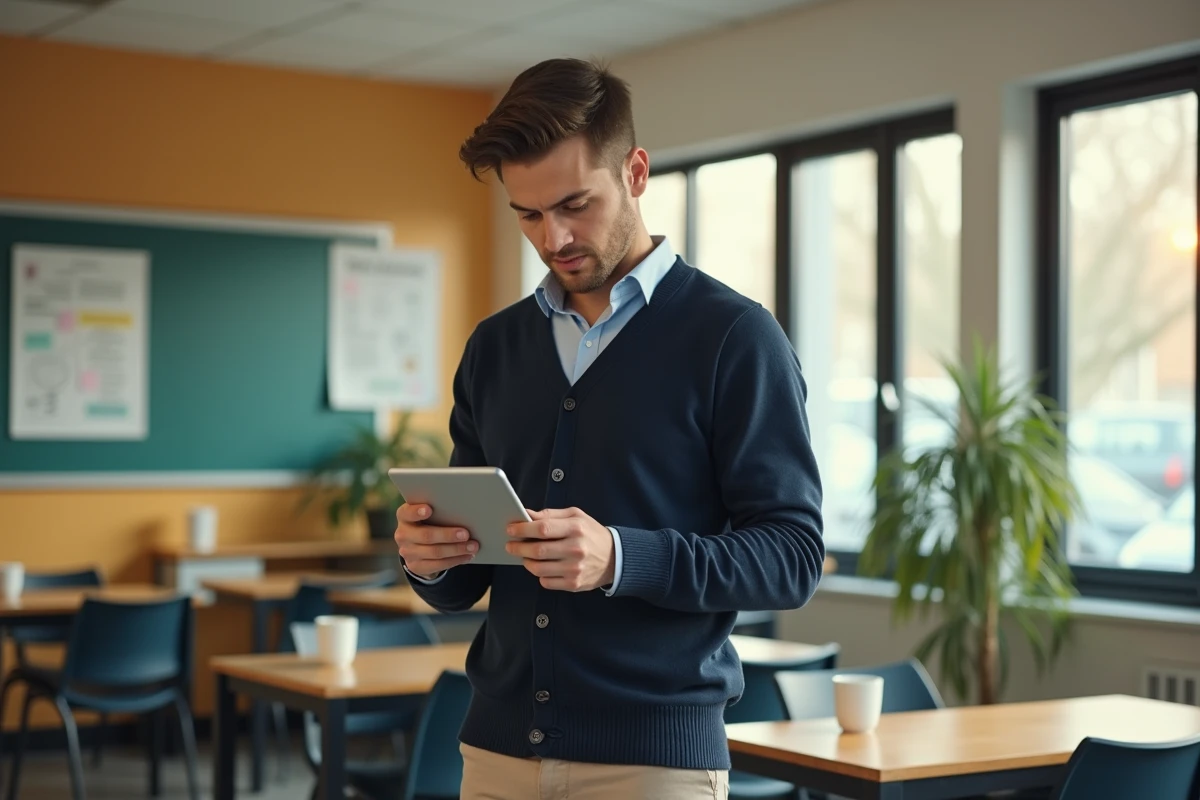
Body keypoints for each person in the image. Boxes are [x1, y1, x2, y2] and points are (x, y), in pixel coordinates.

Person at [394, 57, 824, 800]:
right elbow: (462, 583)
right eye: (527, 215)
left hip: (654, 763)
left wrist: (622, 557)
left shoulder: (734, 338)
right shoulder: (495, 348)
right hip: (495, 754)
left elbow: (791, 557)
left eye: (574, 204)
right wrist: (429, 558)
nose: (553, 236)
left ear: (635, 172)